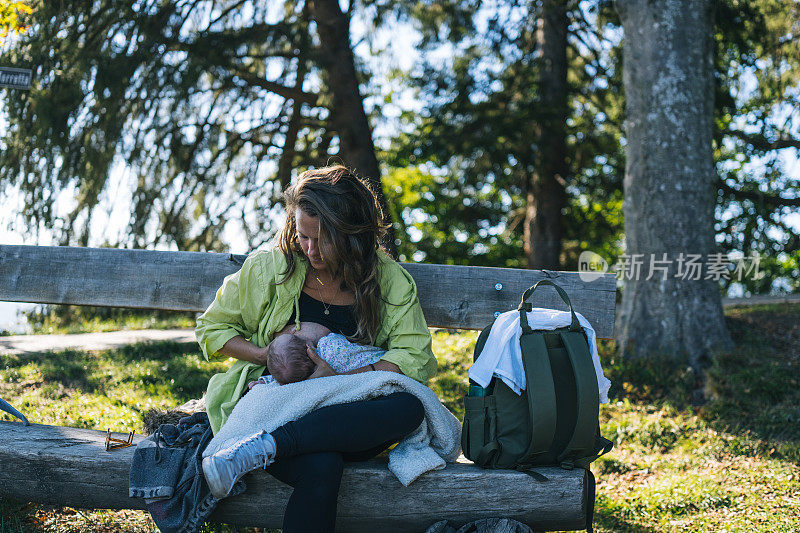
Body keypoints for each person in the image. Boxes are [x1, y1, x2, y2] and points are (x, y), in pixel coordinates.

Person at [194, 165, 437, 532]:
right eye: (302, 236)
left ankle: (265, 448)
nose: (310, 250)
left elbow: (412, 357)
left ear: (352, 236)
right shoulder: (270, 267)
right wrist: (268, 355)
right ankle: (269, 443)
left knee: (410, 407)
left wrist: (337, 378)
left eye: (322, 240)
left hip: (348, 412)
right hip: (280, 407)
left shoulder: (388, 281)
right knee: (322, 465)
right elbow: (212, 328)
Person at [265, 322, 387, 385]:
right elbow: (340, 340)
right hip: (380, 360)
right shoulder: (327, 344)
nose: (293, 332)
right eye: (294, 337)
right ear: (309, 349)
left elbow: (283, 379)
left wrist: (264, 381)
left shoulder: (302, 377)